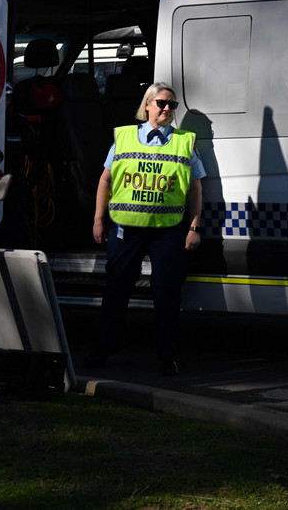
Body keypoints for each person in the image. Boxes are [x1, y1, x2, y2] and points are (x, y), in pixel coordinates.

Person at [86, 82, 204, 376]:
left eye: (172, 105)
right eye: (161, 103)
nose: (167, 108)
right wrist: (99, 220)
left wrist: (194, 226)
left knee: (166, 293)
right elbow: (105, 181)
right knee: (116, 290)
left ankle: (167, 357)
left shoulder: (184, 142)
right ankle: (105, 347)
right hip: (126, 228)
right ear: (147, 105)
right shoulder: (124, 137)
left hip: (168, 229)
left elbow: (195, 189)